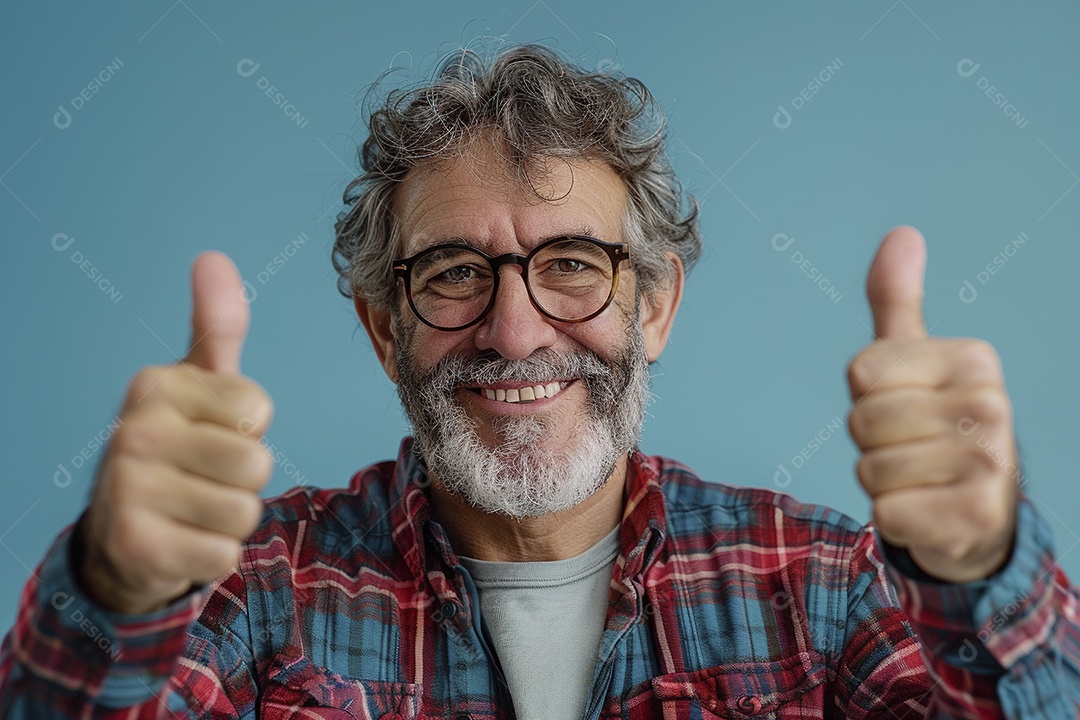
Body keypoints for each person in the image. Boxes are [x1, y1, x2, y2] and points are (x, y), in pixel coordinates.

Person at [1, 43, 1077, 719]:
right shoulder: (255, 591)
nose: (515, 333)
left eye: (572, 265)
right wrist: (117, 588)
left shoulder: (824, 585)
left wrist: (984, 562)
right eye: (455, 273)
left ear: (654, 304)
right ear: (383, 329)